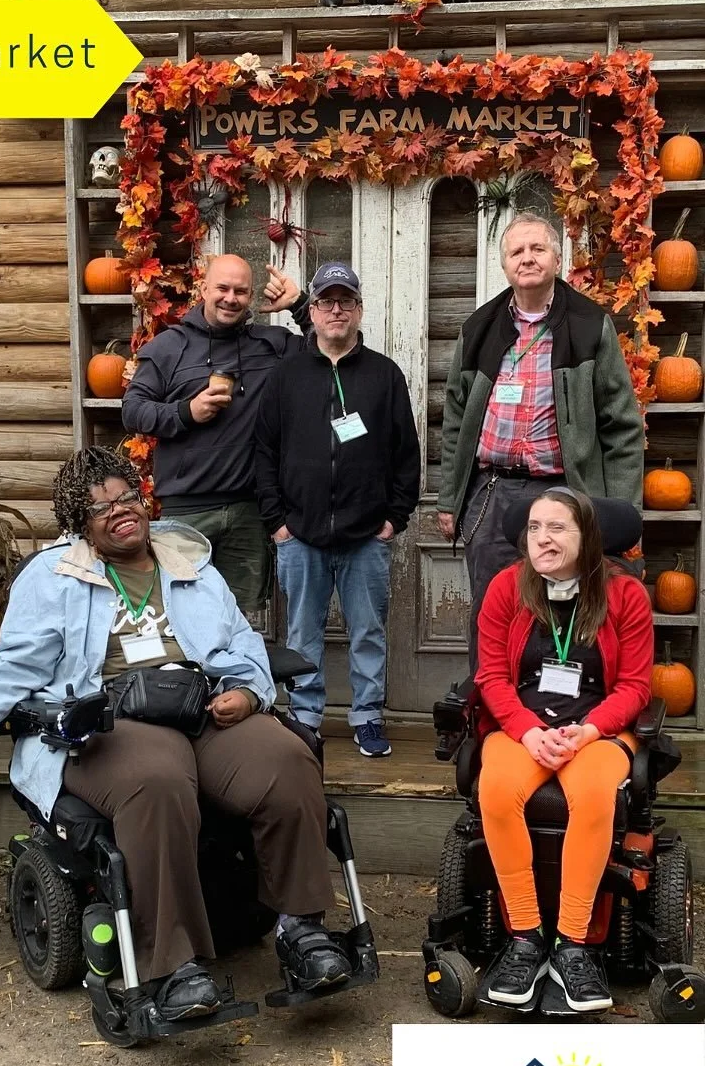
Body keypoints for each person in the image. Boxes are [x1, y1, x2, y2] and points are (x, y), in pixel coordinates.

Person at [0, 447, 350, 1020]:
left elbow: (242, 639)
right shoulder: (54, 577)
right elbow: (13, 668)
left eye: (127, 497)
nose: (121, 511)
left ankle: (301, 928)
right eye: (101, 507)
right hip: (111, 720)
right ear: (78, 524)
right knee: (155, 780)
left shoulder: (189, 561)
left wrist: (249, 691)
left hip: (202, 706)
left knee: (286, 758)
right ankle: (174, 965)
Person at [436, 212, 643, 664]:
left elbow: (622, 426)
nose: (527, 258)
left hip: (565, 493)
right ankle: (489, 703)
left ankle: (557, 702)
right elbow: (455, 419)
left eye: (537, 249)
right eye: (517, 251)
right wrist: (449, 499)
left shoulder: (589, 325)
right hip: (493, 494)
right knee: (491, 610)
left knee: (565, 611)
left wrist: (621, 511)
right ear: (504, 265)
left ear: (557, 259)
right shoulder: (479, 328)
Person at [474, 488, 652, 1012]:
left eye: (557, 528)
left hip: (596, 730)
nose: (542, 539)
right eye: (534, 528)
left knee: (595, 794)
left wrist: (589, 731)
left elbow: (636, 686)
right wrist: (528, 731)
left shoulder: (625, 595)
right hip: (522, 728)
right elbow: (490, 676)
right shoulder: (507, 587)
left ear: (587, 537)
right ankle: (526, 938)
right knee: (496, 789)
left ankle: (573, 944)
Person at [255, 263, 420, 756]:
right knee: (302, 633)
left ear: (359, 309)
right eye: (326, 301)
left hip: (366, 536)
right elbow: (264, 452)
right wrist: (277, 523)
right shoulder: (286, 376)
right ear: (313, 311)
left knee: (367, 631)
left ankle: (368, 715)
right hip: (299, 534)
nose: (336, 310)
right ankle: (305, 716)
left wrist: (394, 519)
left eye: (345, 301)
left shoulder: (384, 375)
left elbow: (406, 453)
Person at [121, 253, 308, 613]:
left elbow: (330, 349)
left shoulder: (271, 345)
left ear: (251, 295)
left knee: (241, 618)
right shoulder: (168, 347)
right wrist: (186, 411)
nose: (230, 298)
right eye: (222, 288)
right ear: (204, 289)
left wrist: (298, 304)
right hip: (186, 513)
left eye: (241, 291)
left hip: (249, 511)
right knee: (182, 615)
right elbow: (132, 411)